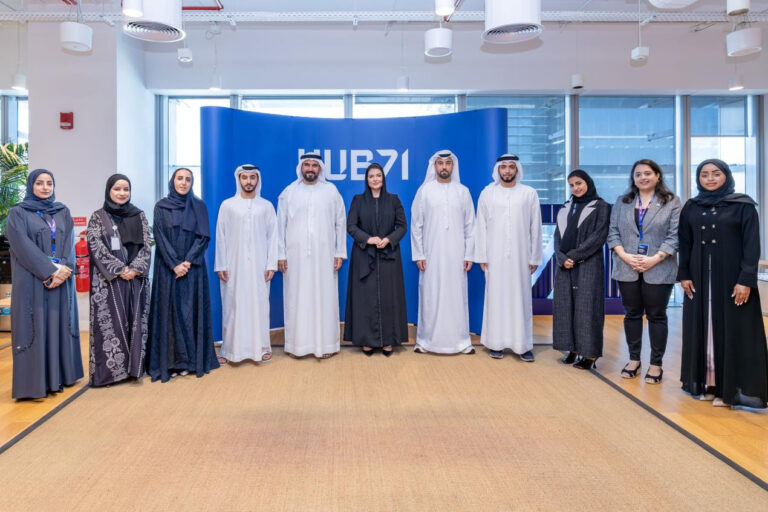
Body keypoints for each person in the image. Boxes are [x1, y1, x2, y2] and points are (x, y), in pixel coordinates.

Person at [678, 159, 768, 408]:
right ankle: (708, 383)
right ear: (698, 178)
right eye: (704, 174)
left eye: (716, 174)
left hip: (732, 279)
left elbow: (752, 246)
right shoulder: (692, 207)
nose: (710, 178)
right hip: (699, 279)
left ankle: (729, 389)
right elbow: (684, 243)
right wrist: (684, 274)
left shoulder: (743, 206)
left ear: (726, 175)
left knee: (733, 330)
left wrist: (745, 280)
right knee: (703, 329)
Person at [5, 169, 83, 399]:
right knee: (36, 326)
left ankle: (61, 376)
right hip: (33, 280)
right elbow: (22, 246)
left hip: (61, 280)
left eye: (49, 183)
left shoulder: (62, 211)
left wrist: (64, 269)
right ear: (31, 185)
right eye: (39, 183)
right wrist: (50, 271)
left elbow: (69, 242)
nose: (45, 187)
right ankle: (34, 384)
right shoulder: (18, 213)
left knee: (59, 324)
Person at [607, 159, 681, 384]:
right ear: (633, 178)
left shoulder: (671, 201)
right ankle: (634, 360)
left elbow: (675, 235)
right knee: (632, 314)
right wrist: (625, 256)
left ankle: (656, 364)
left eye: (648, 173)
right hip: (627, 266)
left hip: (659, 266)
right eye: (638, 174)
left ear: (658, 176)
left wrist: (654, 259)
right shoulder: (623, 201)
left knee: (657, 315)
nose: (643, 177)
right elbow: (613, 232)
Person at [146, 168, 219, 382]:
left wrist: (187, 261)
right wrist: (174, 264)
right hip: (167, 269)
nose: (184, 182)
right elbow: (160, 236)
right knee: (170, 314)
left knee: (190, 314)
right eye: (180, 178)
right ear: (173, 181)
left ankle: (190, 362)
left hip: (192, 269)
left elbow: (203, 237)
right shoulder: (161, 207)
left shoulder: (199, 206)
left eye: (188, 179)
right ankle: (170, 362)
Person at [277, 153, 346, 358]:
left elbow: (340, 223)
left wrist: (339, 252)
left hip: (325, 256)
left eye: (314, 165)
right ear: (301, 168)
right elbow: (280, 226)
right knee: (296, 299)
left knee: (324, 298)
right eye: (306, 164)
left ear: (320, 168)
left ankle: (326, 345)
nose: (310, 168)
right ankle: (297, 346)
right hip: (294, 257)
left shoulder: (331, 191)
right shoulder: (289, 192)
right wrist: (280, 255)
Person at [474, 154, 542, 361]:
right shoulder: (488, 193)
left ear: (517, 169)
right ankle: (496, 343)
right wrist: (482, 255)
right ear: (498, 170)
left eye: (512, 167)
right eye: (503, 167)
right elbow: (481, 226)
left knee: (520, 299)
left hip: (521, 257)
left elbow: (535, 227)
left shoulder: (529, 193)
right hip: (494, 257)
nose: (507, 171)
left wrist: (534, 257)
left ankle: (523, 345)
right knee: (496, 298)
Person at [87, 174, 152, 387]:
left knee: (136, 323)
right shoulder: (97, 217)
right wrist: (119, 269)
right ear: (109, 191)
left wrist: (135, 269)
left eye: (126, 189)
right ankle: (110, 374)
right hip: (109, 283)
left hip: (136, 280)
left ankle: (134, 369)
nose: (122, 193)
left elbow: (147, 244)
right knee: (110, 326)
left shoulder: (139, 215)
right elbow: (95, 246)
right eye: (117, 189)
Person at [410, 150, 475, 354]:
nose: (444, 167)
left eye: (448, 163)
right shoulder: (424, 191)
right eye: (440, 163)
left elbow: (470, 226)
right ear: (434, 166)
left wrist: (469, 254)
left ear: (453, 166)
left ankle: (461, 341)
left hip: (457, 255)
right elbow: (416, 225)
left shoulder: (463, 192)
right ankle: (425, 341)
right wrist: (419, 254)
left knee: (457, 295)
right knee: (431, 294)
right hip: (431, 254)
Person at [214, 165, 277, 364]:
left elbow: (273, 237)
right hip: (233, 265)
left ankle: (262, 347)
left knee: (259, 305)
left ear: (257, 180)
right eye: (244, 177)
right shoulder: (228, 205)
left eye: (252, 177)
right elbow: (221, 236)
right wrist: (221, 265)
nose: (248, 181)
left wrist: (271, 264)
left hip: (260, 265)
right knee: (233, 305)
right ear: (239, 180)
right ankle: (229, 350)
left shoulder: (266, 206)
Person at [344, 163, 408, 356]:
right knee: (366, 298)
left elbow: (402, 226)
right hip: (364, 255)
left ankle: (388, 341)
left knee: (389, 298)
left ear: (383, 178)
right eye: (371, 176)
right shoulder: (358, 200)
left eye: (378, 175)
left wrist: (388, 239)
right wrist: (368, 239)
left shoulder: (394, 200)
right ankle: (367, 341)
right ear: (366, 179)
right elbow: (351, 226)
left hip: (389, 255)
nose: (375, 179)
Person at [552, 170, 610, 369]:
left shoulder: (601, 206)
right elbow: (557, 237)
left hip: (588, 264)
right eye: (572, 185)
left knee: (588, 308)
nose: (576, 188)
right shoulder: (566, 207)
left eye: (579, 183)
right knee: (565, 308)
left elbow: (598, 237)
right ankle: (572, 349)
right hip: (565, 266)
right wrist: (562, 258)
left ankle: (590, 354)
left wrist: (574, 256)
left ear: (588, 182)